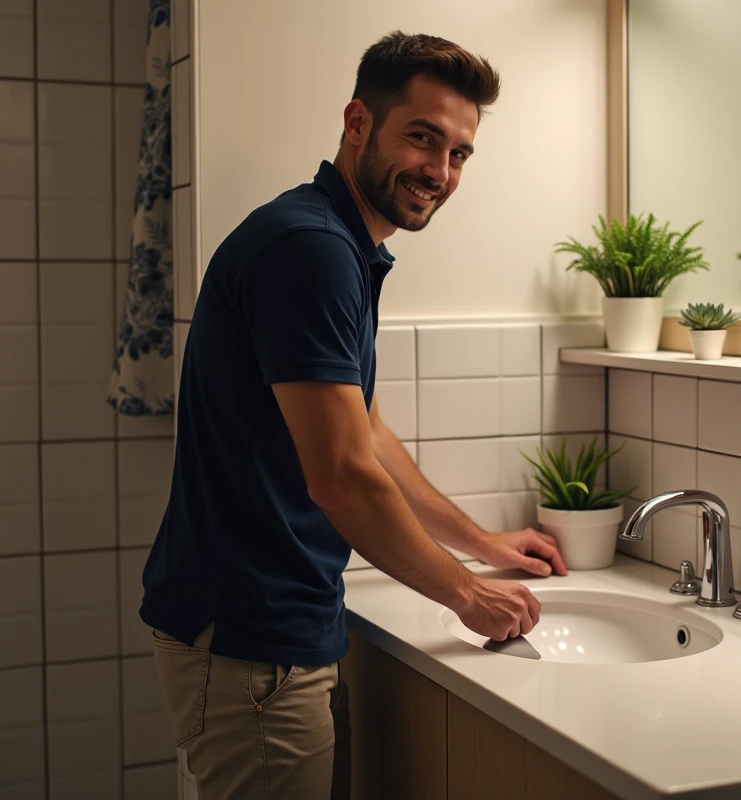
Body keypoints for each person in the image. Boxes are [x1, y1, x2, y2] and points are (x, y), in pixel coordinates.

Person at [139, 30, 568, 800]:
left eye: (460, 153)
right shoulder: (312, 250)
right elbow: (341, 477)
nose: (439, 172)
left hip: (259, 635)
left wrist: (479, 543)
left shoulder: (332, 240)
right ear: (358, 123)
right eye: (423, 138)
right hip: (250, 645)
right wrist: (468, 595)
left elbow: (363, 432)